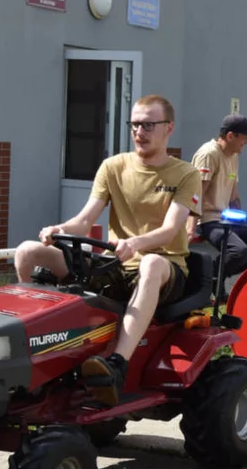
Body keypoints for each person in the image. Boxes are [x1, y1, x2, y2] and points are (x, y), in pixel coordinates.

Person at [14, 94, 200, 405]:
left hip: (166, 268)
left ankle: (115, 364)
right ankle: (27, 343)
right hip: (116, 264)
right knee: (27, 251)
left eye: (148, 125)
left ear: (169, 128)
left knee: (151, 263)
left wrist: (135, 243)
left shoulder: (186, 174)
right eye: (135, 124)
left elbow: (170, 231)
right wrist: (59, 230)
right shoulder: (113, 166)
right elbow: (84, 220)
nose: (139, 131)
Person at [188, 114, 247, 277]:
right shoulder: (209, 155)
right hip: (208, 220)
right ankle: (210, 279)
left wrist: (241, 218)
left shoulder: (234, 155)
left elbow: (233, 192)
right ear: (230, 136)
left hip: (226, 216)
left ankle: (217, 277)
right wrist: (190, 228)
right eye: (244, 137)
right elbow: (196, 194)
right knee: (239, 251)